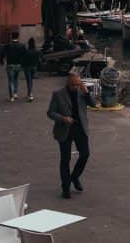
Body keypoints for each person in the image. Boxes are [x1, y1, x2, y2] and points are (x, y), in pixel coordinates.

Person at [47, 71, 94, 199]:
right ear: (68, 83)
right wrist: (63, 118)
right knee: (65, 159)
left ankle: (74, 177)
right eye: (73, 85)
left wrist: (87, 92)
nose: (75, 87)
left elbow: (93, 104)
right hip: (65, 130)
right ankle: (65, 187)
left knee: (85, 154)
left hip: (80, 128)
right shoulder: (58, 94)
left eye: (78, 84)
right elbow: (50, 112)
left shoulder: (82, 92)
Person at [0, 31, 26, 102]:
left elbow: (2, 54)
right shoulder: (22, 45)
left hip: (10, 64)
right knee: (16, 79)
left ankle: (11, 97)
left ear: (11, 36)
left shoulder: (7, 45)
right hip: (18, 64)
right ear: (18, 36)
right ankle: (15, 93)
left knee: (10, 81)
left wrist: (1, 61)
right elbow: (24, 55)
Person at [22, 38, 41, 102]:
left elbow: (23, 60)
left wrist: (23, 66)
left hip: (27, 67)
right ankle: (29, 93)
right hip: (34, 67)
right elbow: (41, 58)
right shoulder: (37, 51)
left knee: (29, 81)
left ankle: (30, 94)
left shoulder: (27, 52)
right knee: (31, 80)